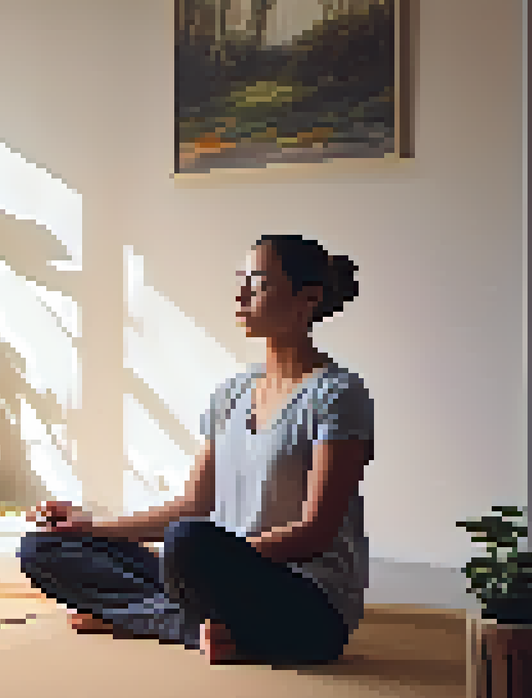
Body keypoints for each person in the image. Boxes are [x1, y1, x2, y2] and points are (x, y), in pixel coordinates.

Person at [19, 235, 374, 666]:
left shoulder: (336, 395)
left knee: (187, 543)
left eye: (259, 284)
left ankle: (144, 617)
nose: (241, 295)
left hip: (304, 601)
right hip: (212, 578)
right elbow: (192, 504)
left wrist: (218, 561)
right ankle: (195, 627)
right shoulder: (232, 394)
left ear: (308, 298)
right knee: (43, 548)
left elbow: (316, 531)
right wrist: (88, 527)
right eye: (241, 281)